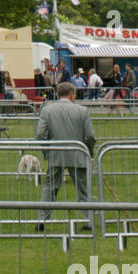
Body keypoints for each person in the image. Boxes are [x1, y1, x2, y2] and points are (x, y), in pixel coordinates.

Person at [35, 82, 96, 230]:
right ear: (70, 94)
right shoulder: (82, 111)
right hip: (78, 153)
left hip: (56, 154)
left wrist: (47, 151)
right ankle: (87, 221)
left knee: (50, 188)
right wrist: (88, 152)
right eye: (74, 94)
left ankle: (41, 220)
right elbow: (90, 136)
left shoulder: (47, 111)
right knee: (83, 189)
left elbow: (40, 135)